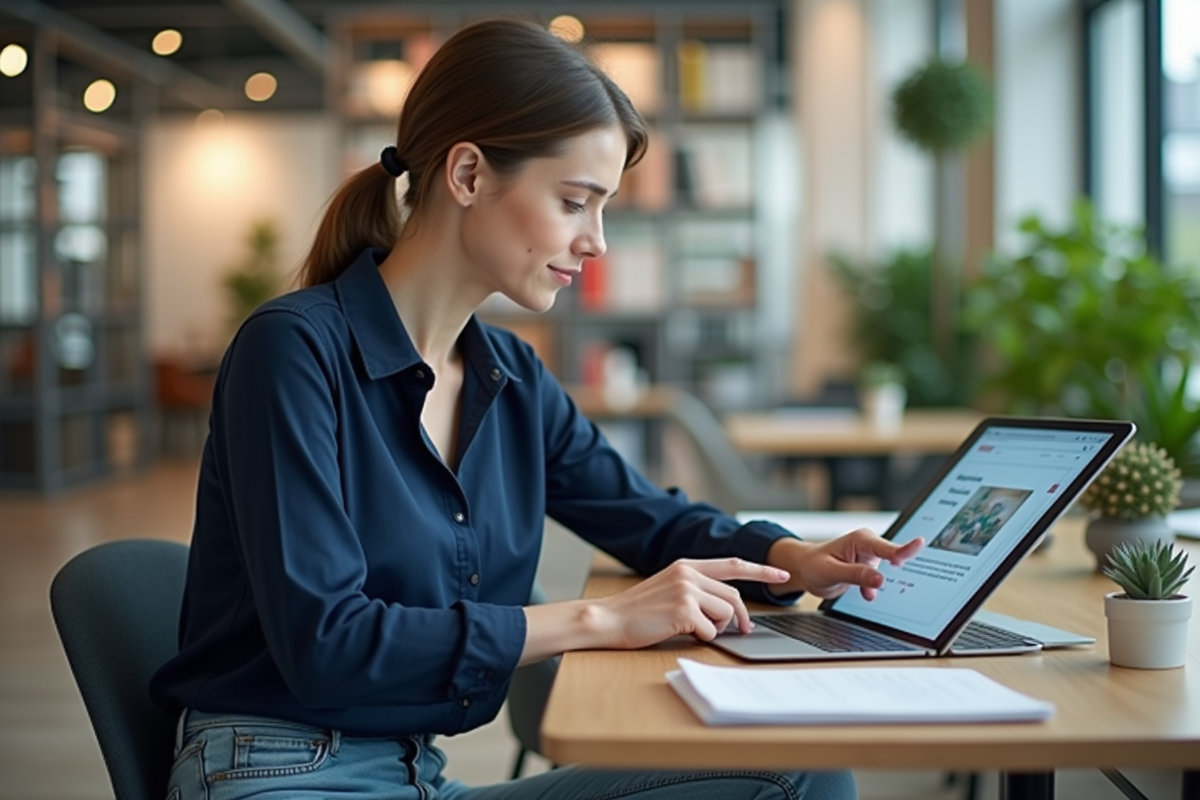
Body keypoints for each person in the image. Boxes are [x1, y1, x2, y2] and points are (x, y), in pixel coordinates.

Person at [150, 18, 922, 800]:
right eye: (574, 202)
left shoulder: (510, 376)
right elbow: (328, 643)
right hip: (278, 774)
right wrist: (602, 620)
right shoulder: (292, 352)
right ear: (468, 175)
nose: (597, 243)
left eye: (604, 209)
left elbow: (647, 518)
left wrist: (793, 558)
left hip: (417, 775)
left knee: (802, 765)